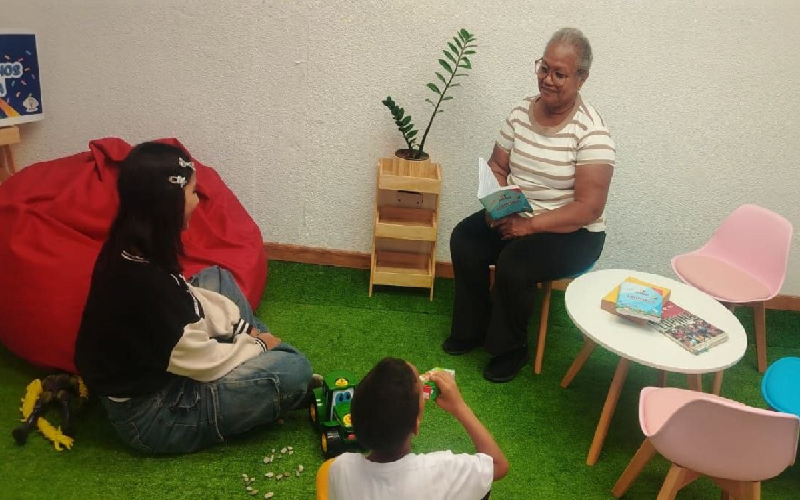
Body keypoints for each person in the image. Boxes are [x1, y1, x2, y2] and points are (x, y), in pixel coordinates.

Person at [74, 142, 313, 454]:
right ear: (168, 204)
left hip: (167, 356)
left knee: (216, 277)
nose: (198, 201)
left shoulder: (130, 244)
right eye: (192, 192)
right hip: (151, 413)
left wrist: (241, 331)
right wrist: (258, 345)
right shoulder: (148, 289)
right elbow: (204, 359)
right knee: (295, 370)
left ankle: (251, 345)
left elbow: (186, 297)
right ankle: (263, 359)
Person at [442, 27, 615, 383]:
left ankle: (510, 348)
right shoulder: (521, 111)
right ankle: (473, 328)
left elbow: (589, 208)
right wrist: (497, 205)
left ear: (581, 78)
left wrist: (529, 226)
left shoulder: (592, 133)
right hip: (519, 214)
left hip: (573, 232)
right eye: (544, 68)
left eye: (559, 74)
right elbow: (498, 165)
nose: (547, 79)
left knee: (515, 262)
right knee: (466, 238)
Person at [328, 357, 508, 500]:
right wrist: (458, 406)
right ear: (415, 425)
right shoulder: (441, 471)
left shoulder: (340, 469)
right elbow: (498, 465)